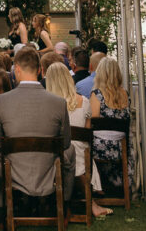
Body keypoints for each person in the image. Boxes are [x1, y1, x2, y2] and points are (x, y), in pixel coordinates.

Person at [0, 46, 75, 206]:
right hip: (47, 170)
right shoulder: (58, 102)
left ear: (17, 69)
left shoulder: (2, 101)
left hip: (12, 170)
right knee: (71, 150)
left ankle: (3, 204)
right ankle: (65, 203)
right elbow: (66, 142)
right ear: (40, 70)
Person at [45, 61, 111, 217]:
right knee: (80, 148)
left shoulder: (47, 104)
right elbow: (87, 132)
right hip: (80, 153)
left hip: (53, 151)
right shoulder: (84, 101)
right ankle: (91, 203)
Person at [90, 56, 134, 193]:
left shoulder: (97, 94)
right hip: (122, 148)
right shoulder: (125, 94)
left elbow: (93, 122)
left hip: (99, 149)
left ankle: (95, 186)